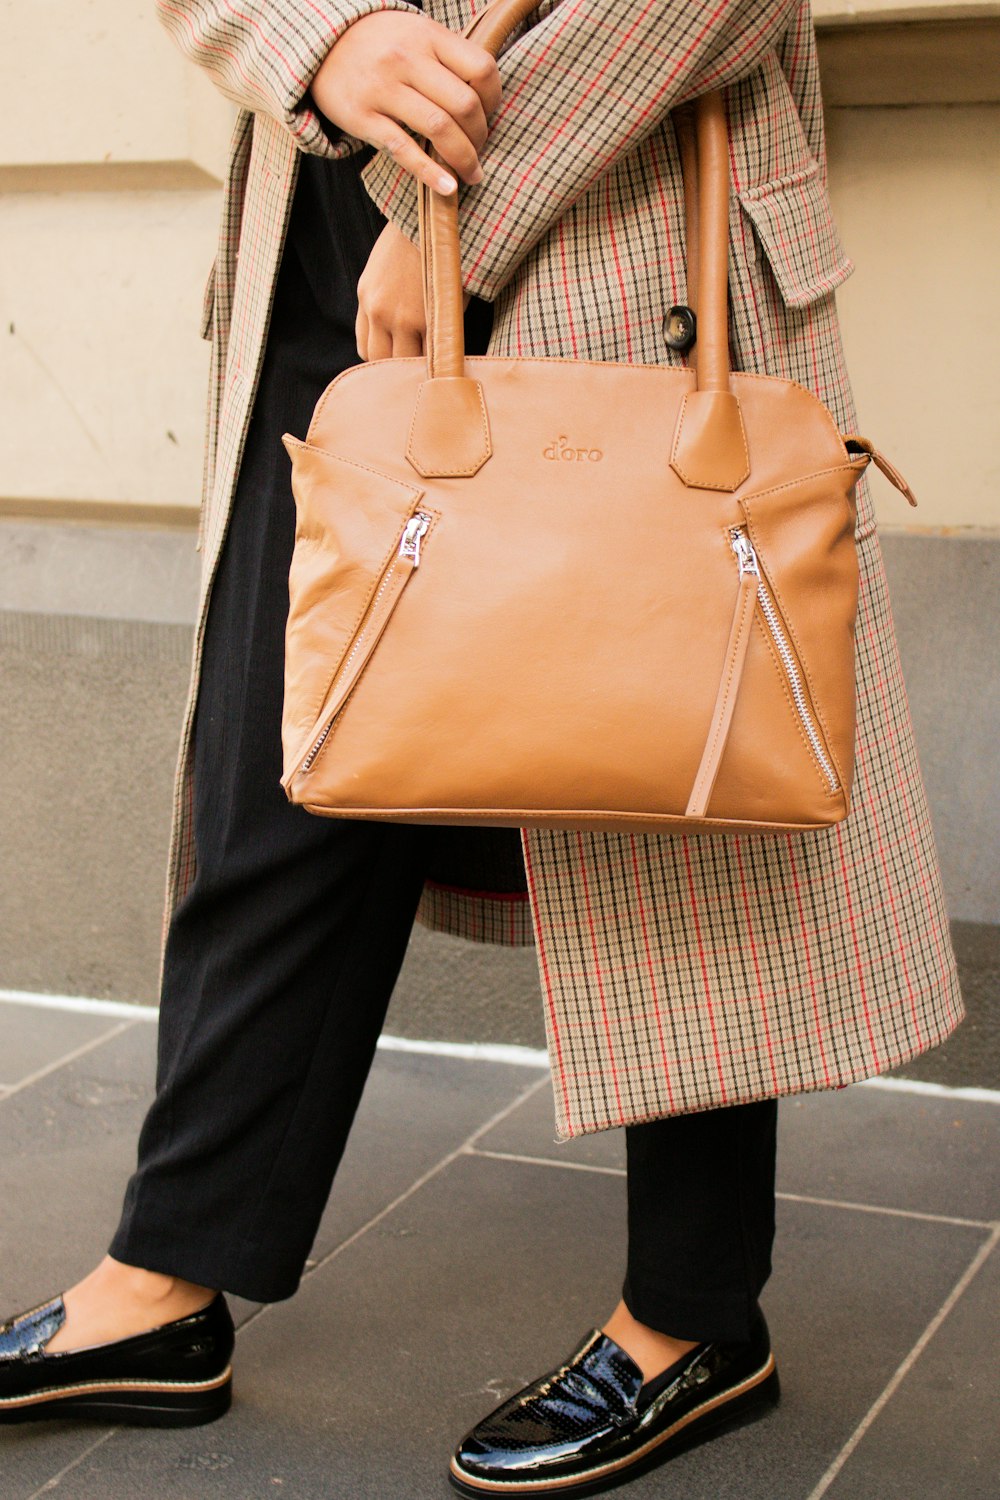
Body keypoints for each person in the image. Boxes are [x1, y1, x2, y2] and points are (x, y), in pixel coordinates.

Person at [0, 1, 963, 1494]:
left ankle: (693, 1315)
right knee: (285, 742)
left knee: (670, 752)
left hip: (608, 194)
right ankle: (169, 1277)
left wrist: (458, 200)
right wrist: (318, 39)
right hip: (326, 210)